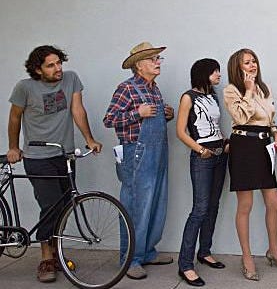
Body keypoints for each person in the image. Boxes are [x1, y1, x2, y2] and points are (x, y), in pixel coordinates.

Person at [6, 45, 102, 283]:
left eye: (59, 63)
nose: (58, 68)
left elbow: (77, 109)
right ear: (38, 69)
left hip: (64, 155)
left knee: (64, 205)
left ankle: (57, 253)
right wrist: (14, 147)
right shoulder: (24, 88)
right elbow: (15, 117)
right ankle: (46, 258)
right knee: (50, 206)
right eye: (51, 65)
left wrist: (89, 138)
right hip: (38, 157)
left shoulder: (71, 79)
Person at [103, 41, 175, 280]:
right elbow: (110, 119)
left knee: (156, 204)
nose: (158, 62)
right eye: (153, 59)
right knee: (136, 207)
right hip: (137, 154)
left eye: (158, 58)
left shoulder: (154, 88)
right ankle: (130, 259)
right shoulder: (126, 88)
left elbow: (153, 118)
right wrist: (138, 113)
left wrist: (167, 114)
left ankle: (147, 252)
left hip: (158, 154)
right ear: (138, 65)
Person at [223, 48, 277, 281]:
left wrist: (275, 130)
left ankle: (273, 251)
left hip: (264, 147)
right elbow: (242, 118)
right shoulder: (231, 90)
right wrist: (249, 91)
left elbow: (269, 117)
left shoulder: (266, 88)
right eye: (246, 63)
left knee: (274, 201)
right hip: (243, 145)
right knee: (246, 204)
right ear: (237, 67)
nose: (252, 66)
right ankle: (247, 257)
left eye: (254, 61)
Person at [176, 58, 229, 287]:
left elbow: (215, 125)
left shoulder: (213, 95)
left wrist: (225, 143)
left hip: (220, 154)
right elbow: (180, 131)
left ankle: (204, 251)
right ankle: (185, 265)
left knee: (213, 205)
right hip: (203, 157)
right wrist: (200, 150)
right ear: (202, 73)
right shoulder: (188, 96)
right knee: (199, 209)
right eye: (214, 71)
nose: (219, 75)